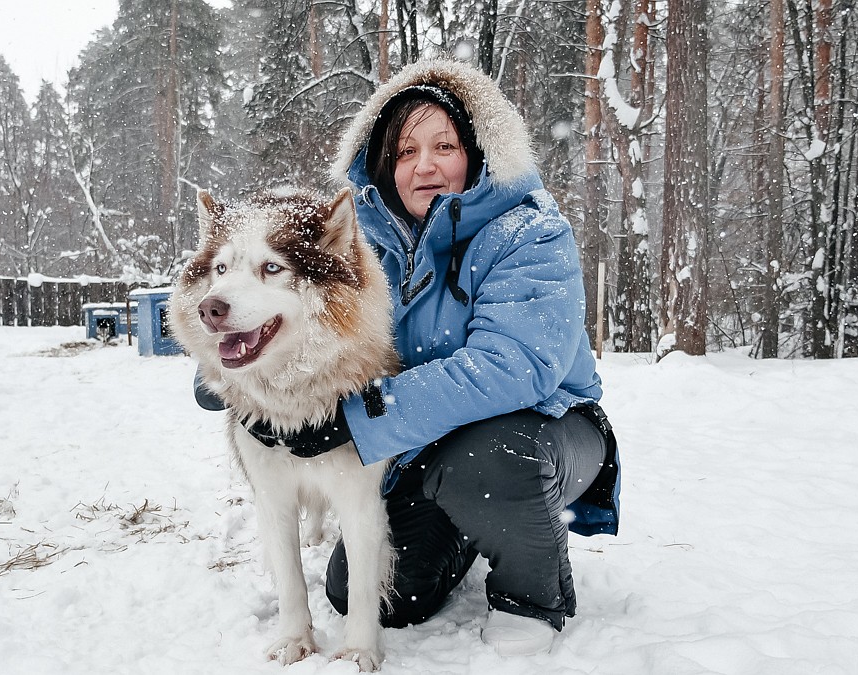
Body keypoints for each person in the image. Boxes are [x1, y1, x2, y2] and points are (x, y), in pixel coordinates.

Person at [199, 57, 620, 656]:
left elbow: (517, 365)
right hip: (421, 444)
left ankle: (532, 602)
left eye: (443, 145)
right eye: (404, 152)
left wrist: (361, 418)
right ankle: (470, 528)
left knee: (492, 461)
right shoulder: (364, 238)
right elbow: (307, 326)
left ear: (477, 149)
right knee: (367, 594)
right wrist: (240, 374)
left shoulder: (528, 231)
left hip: (547, 430)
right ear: (384, 163)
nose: (424, 165)